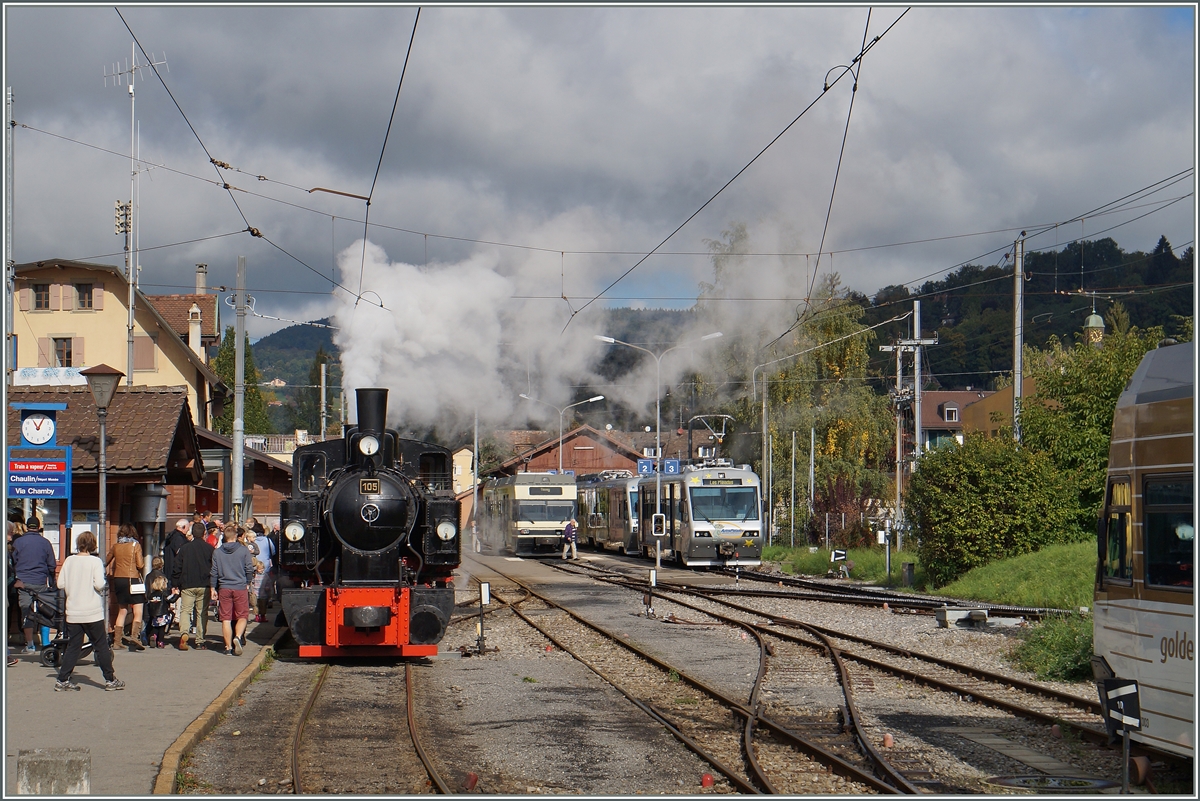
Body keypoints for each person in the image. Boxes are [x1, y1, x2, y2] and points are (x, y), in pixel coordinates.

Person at [54, 530, 123, 691]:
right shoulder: (95, 562)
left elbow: (60, 584)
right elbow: (99, 584)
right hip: (92, 611)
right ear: (93, 545)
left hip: (73, 611)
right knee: (100, 646)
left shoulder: (69, 561)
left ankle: (62, 679)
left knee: (73, 646)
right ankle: (110, 679)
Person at [12, 515, 58, 652]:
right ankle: (45, 642)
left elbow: (12, 561)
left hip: (23, 583)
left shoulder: (18, 543)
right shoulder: (45, 543)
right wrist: (51, 582)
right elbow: (52, 565)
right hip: (40, 582)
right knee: (45, 611)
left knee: (26, 612)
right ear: (38, 527)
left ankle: (30, 644)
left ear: (27, 527)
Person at [211, 523, 255, 656]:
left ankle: (228, 647)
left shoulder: (217, 552)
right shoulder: (243, 551)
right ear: (236, 537)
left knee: (226, 618)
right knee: (242, 616)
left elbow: (214, 571)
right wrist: (248, 581)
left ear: (224, 537)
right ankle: (238, 636)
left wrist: (213, 587)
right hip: (240, 586)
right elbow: (249, 568)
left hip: (224, 587)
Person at [172, 525, 215, 650]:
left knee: (185, 610)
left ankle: (184, 633)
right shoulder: (209, 549)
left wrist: (175, 583)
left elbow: (177, 567)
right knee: (202, 612)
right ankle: (200, 640)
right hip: (204, 584)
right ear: (204, 534)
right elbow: (214, 567)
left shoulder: (184, 548)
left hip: (187, 584)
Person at [106, 524, 146, 650]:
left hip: (118, 580)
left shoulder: (116, 546)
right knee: (138, 610)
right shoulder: (136, 546)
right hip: (132, 579)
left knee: (122, 610)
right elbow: (140, 565)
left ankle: (117, 641)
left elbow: (106, 561)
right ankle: (135, 636)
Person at [161, 519, 189, 629]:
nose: (187, 531)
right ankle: (176, 618)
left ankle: (172, 617)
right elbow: (181, 554)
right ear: (183, 527)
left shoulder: (171, 536)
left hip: (169, 569)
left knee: (172, 594)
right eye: (187, 528)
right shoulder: (179, 538)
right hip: (175, 571)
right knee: (176, 595)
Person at [143, 558, 175, 648]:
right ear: (161, 565)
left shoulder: (148, 576)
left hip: (151, 604)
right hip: (162, 607)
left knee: (153, 624)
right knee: (162, 626)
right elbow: (167, 594)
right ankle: (160, 641)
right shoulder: (162, 577)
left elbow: (147, 591)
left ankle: (151, 636)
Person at [252, 524, 275, 622]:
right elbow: (273, 551)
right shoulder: (268, 540)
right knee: (267, 582)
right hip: (265, 565)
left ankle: (257, 612)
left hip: (255, 565)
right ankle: (268, 600)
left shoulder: (252, 541)